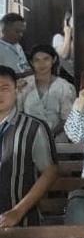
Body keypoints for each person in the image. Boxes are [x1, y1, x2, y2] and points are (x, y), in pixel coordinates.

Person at [0, 65, 58, 227]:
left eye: (5, 88)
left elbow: (50, 171)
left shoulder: (34, 127)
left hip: (20, 221)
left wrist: (17, 211)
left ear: (16, 90)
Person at [18, 44, 74, 137]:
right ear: (31, 62)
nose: (42, 64)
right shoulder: (24, 85)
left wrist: (49, 135)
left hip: (56, 139)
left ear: (54, 60)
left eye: (46, 59)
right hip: (28, 137)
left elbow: (67, 118)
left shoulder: (64, 86)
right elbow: (18, 114)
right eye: (37, 60)